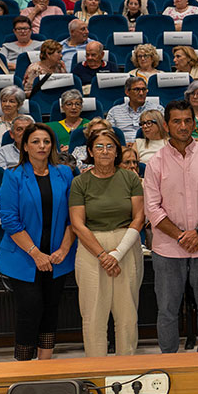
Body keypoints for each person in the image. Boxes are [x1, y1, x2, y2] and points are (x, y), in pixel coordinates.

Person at [144, 99, 198, 353]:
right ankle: (169, 360)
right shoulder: (155, 162)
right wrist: (182, 236)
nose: (183, 126)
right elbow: (153, 208)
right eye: (177, 121)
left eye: (188, 121)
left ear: (194, 123)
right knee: (168, 309)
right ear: (167, 126)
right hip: (168, 249)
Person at [0, 124, 76, 361]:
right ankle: (23, 366)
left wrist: (63, 248)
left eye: (46, 141)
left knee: (51, 309)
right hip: (22, 257)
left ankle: (45, 364)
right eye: (36, 141)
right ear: (25, 146)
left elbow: (75, 216)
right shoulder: (13, 175)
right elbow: (9, 220)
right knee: (30, 310)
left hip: (58, 257)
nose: (42, 146)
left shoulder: (64, 173)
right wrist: (35, 253)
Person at [68, 129, 145, 357]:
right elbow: (77, 224)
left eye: (110, 146)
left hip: (126, 245)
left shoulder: (130, 178)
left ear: (117, 151)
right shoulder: (80, 182)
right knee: (93, 315)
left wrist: (118, 254)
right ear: (90, 151)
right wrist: (104, 256)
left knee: (127, 314)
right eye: (99, 146)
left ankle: (126, 370)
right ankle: (97, 371)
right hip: (92, 249)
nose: (105, 151)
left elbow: (139, 217)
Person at [106, 77, 154, 144]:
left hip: (148, 146)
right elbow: (109, 135)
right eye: (137, 89)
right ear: (127, 92)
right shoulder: (114, 111)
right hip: (122, 148)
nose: (141, 93)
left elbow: (162, 134)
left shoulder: (157, 110)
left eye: (144, 89)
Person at [0, 86, 26, 151]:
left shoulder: (27, 120)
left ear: (19, 105)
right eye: (4, 101)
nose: (7, 104)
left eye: (11, 101)